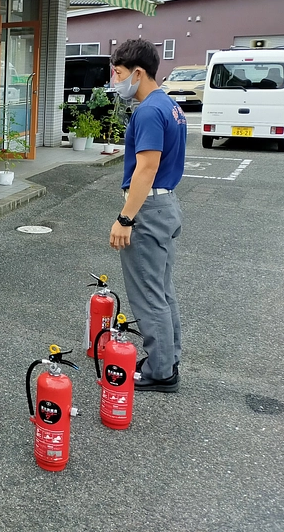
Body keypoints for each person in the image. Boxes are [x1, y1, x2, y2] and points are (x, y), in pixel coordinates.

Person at [108, 39, 187, 393]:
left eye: (119, 73)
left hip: (149, 209)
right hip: (166, 205)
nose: (116, 80)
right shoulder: (169, 105)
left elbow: (146, 168)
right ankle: (167, 358)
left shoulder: (149, 111)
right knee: (162, 289)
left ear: (138, 73)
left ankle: (160, 371)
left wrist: (125, 219)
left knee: (147, 294)